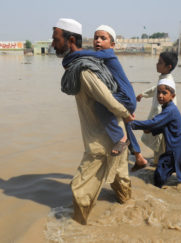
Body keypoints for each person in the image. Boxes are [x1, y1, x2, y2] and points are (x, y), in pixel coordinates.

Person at [52, 18, 133, 225]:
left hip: (102, 143)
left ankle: (76, 232)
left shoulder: (84, 70)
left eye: (55, 38)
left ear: (70, 40)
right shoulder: (82, 65)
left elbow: (106, 99)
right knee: (121, 183)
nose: (52, 44)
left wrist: (126, 113)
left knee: (80, 192)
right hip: (116, 135)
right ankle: (130, 219)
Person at [62, 25, 148, 170]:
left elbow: (91, 55)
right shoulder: (103, 58)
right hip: (127, 97)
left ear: (112, 45)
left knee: (99, 104)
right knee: (126, 124)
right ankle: (139, 158)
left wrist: (70, 57)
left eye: (103, 38)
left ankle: (120, 138)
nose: (98, 41)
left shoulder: (108, 54)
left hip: (124, 97)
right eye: (96, 37)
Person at [130, 79, 181, 188]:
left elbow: (154, 122)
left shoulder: (170, 110)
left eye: (164, 93)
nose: (160, 96)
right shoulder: (167, 108)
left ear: (173, 96)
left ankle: (158, 190)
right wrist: (152, 130)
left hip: (175, 148)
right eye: (158, 92)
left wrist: (131, 124)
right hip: (179, 145)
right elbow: (163, 125)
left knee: (159, 176)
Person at [136, 51, 178, 165]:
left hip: (162, 121)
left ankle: (159, 168)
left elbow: (160, 109)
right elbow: (155, 89)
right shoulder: (164, 78)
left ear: (168, 67)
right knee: (160, 147)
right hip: (162, 121)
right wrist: (144, 94)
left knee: (160, 147)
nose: (157, 64)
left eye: (160, 62)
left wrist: (152, 125)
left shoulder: (168, 82)